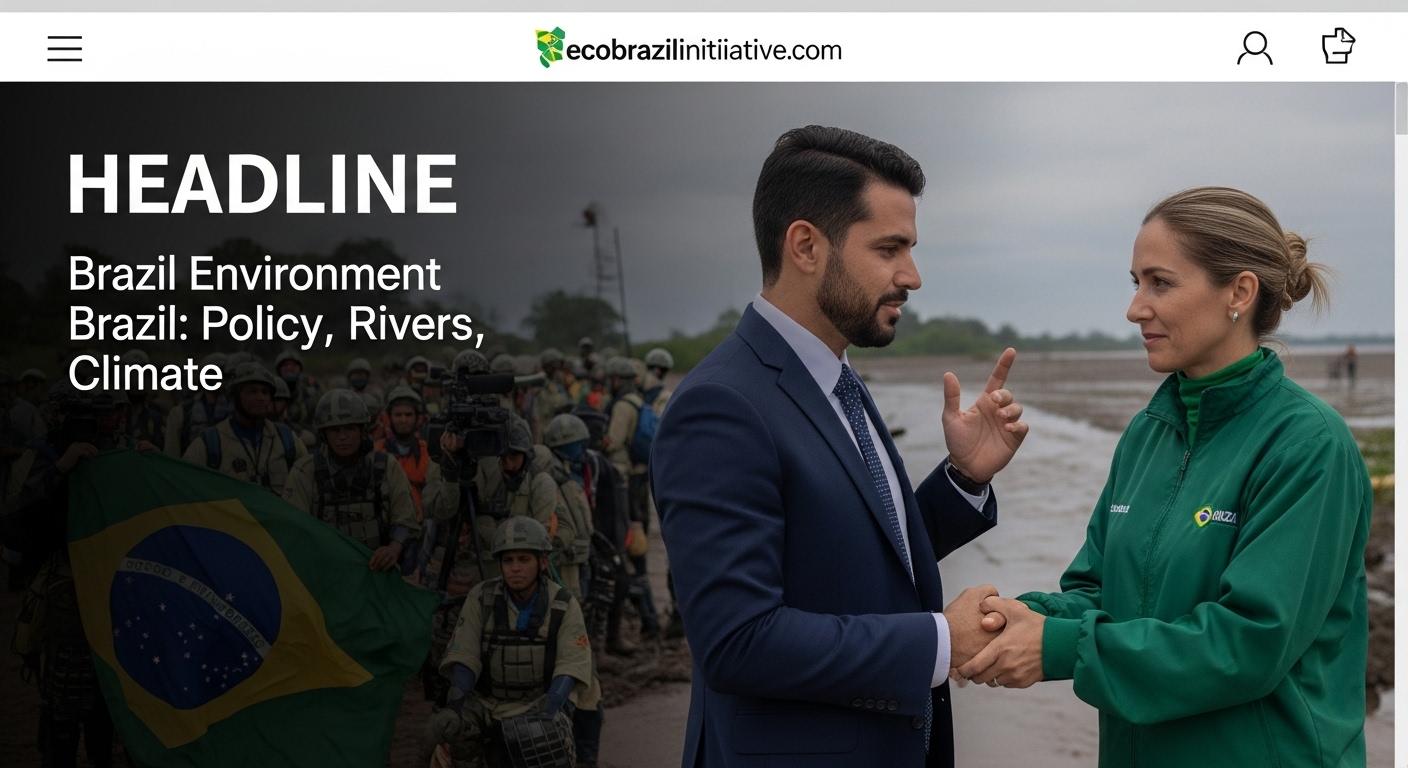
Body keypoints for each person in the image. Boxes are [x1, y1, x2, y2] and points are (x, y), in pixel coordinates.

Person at [652, 125, 1028, 767]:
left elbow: (847, 559)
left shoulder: (833, 376)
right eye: (889, 248)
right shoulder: (723, 405)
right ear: (805, 246)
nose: (912, 275)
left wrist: (962, 479)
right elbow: (738, 641)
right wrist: (940, 641)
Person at [955, 187, 1370, 768]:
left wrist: (1057, 649)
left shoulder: (1307, 444)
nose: (1135, 308)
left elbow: (1249, 643)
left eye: (1161, 283)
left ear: (1239, 292)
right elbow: (1096, 592)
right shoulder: (1148, 433)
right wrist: (1011, 620)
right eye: (1135, 283)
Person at [429, 516, 592, 768]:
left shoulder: (562, 603)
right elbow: (465, 655)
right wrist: (455, 706)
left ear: (543, 562)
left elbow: (571, 664)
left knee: (545, 741)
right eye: (508, 560)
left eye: (524, 559)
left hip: (537, 702)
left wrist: (549, 711)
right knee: (449, 731)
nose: (515, 568)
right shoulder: (481, 598)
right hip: (486, 703)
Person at [282, 388, 422, 572]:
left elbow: (405, 519)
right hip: (323, 570)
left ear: (362, 430)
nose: (343, 436)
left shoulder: (386, 465)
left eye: (350, 428)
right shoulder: (305, 471)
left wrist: (393, 549)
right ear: (324, 434)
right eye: (335, 430)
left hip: (377, 570)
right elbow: (294, 529)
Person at [182, 362, 305, 491]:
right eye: (252, 391)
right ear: (235, 396)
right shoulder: (209, 443)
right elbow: (185, 489)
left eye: (265, 392)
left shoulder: (287, 440)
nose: (260, 398)